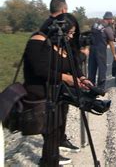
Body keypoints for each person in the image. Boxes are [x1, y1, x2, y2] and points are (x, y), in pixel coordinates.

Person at [23, 13, 94, 165]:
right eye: (70, 32)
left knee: (57, 127)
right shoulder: (37, 41)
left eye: (73, 33)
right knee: (51, 129)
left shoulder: (62, 44)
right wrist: (67, 78)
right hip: (41, 93)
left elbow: (73, 64)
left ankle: (52, 157)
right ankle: (49, 161)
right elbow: (40, 69)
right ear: (59, 30)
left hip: (58, 92)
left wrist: (82, 78)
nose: (71, 36)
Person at [89, 11, 116, 90]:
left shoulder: (94, 25)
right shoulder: (107, 28)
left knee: (92, 69)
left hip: (92, 50)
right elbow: (111, 43)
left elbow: (90, 35)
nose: (112, 21)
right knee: (102, 69)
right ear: (109, 19)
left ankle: (90, 87)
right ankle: (100, 89)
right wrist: (114, 55)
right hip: (100, 51)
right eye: (112, 19)